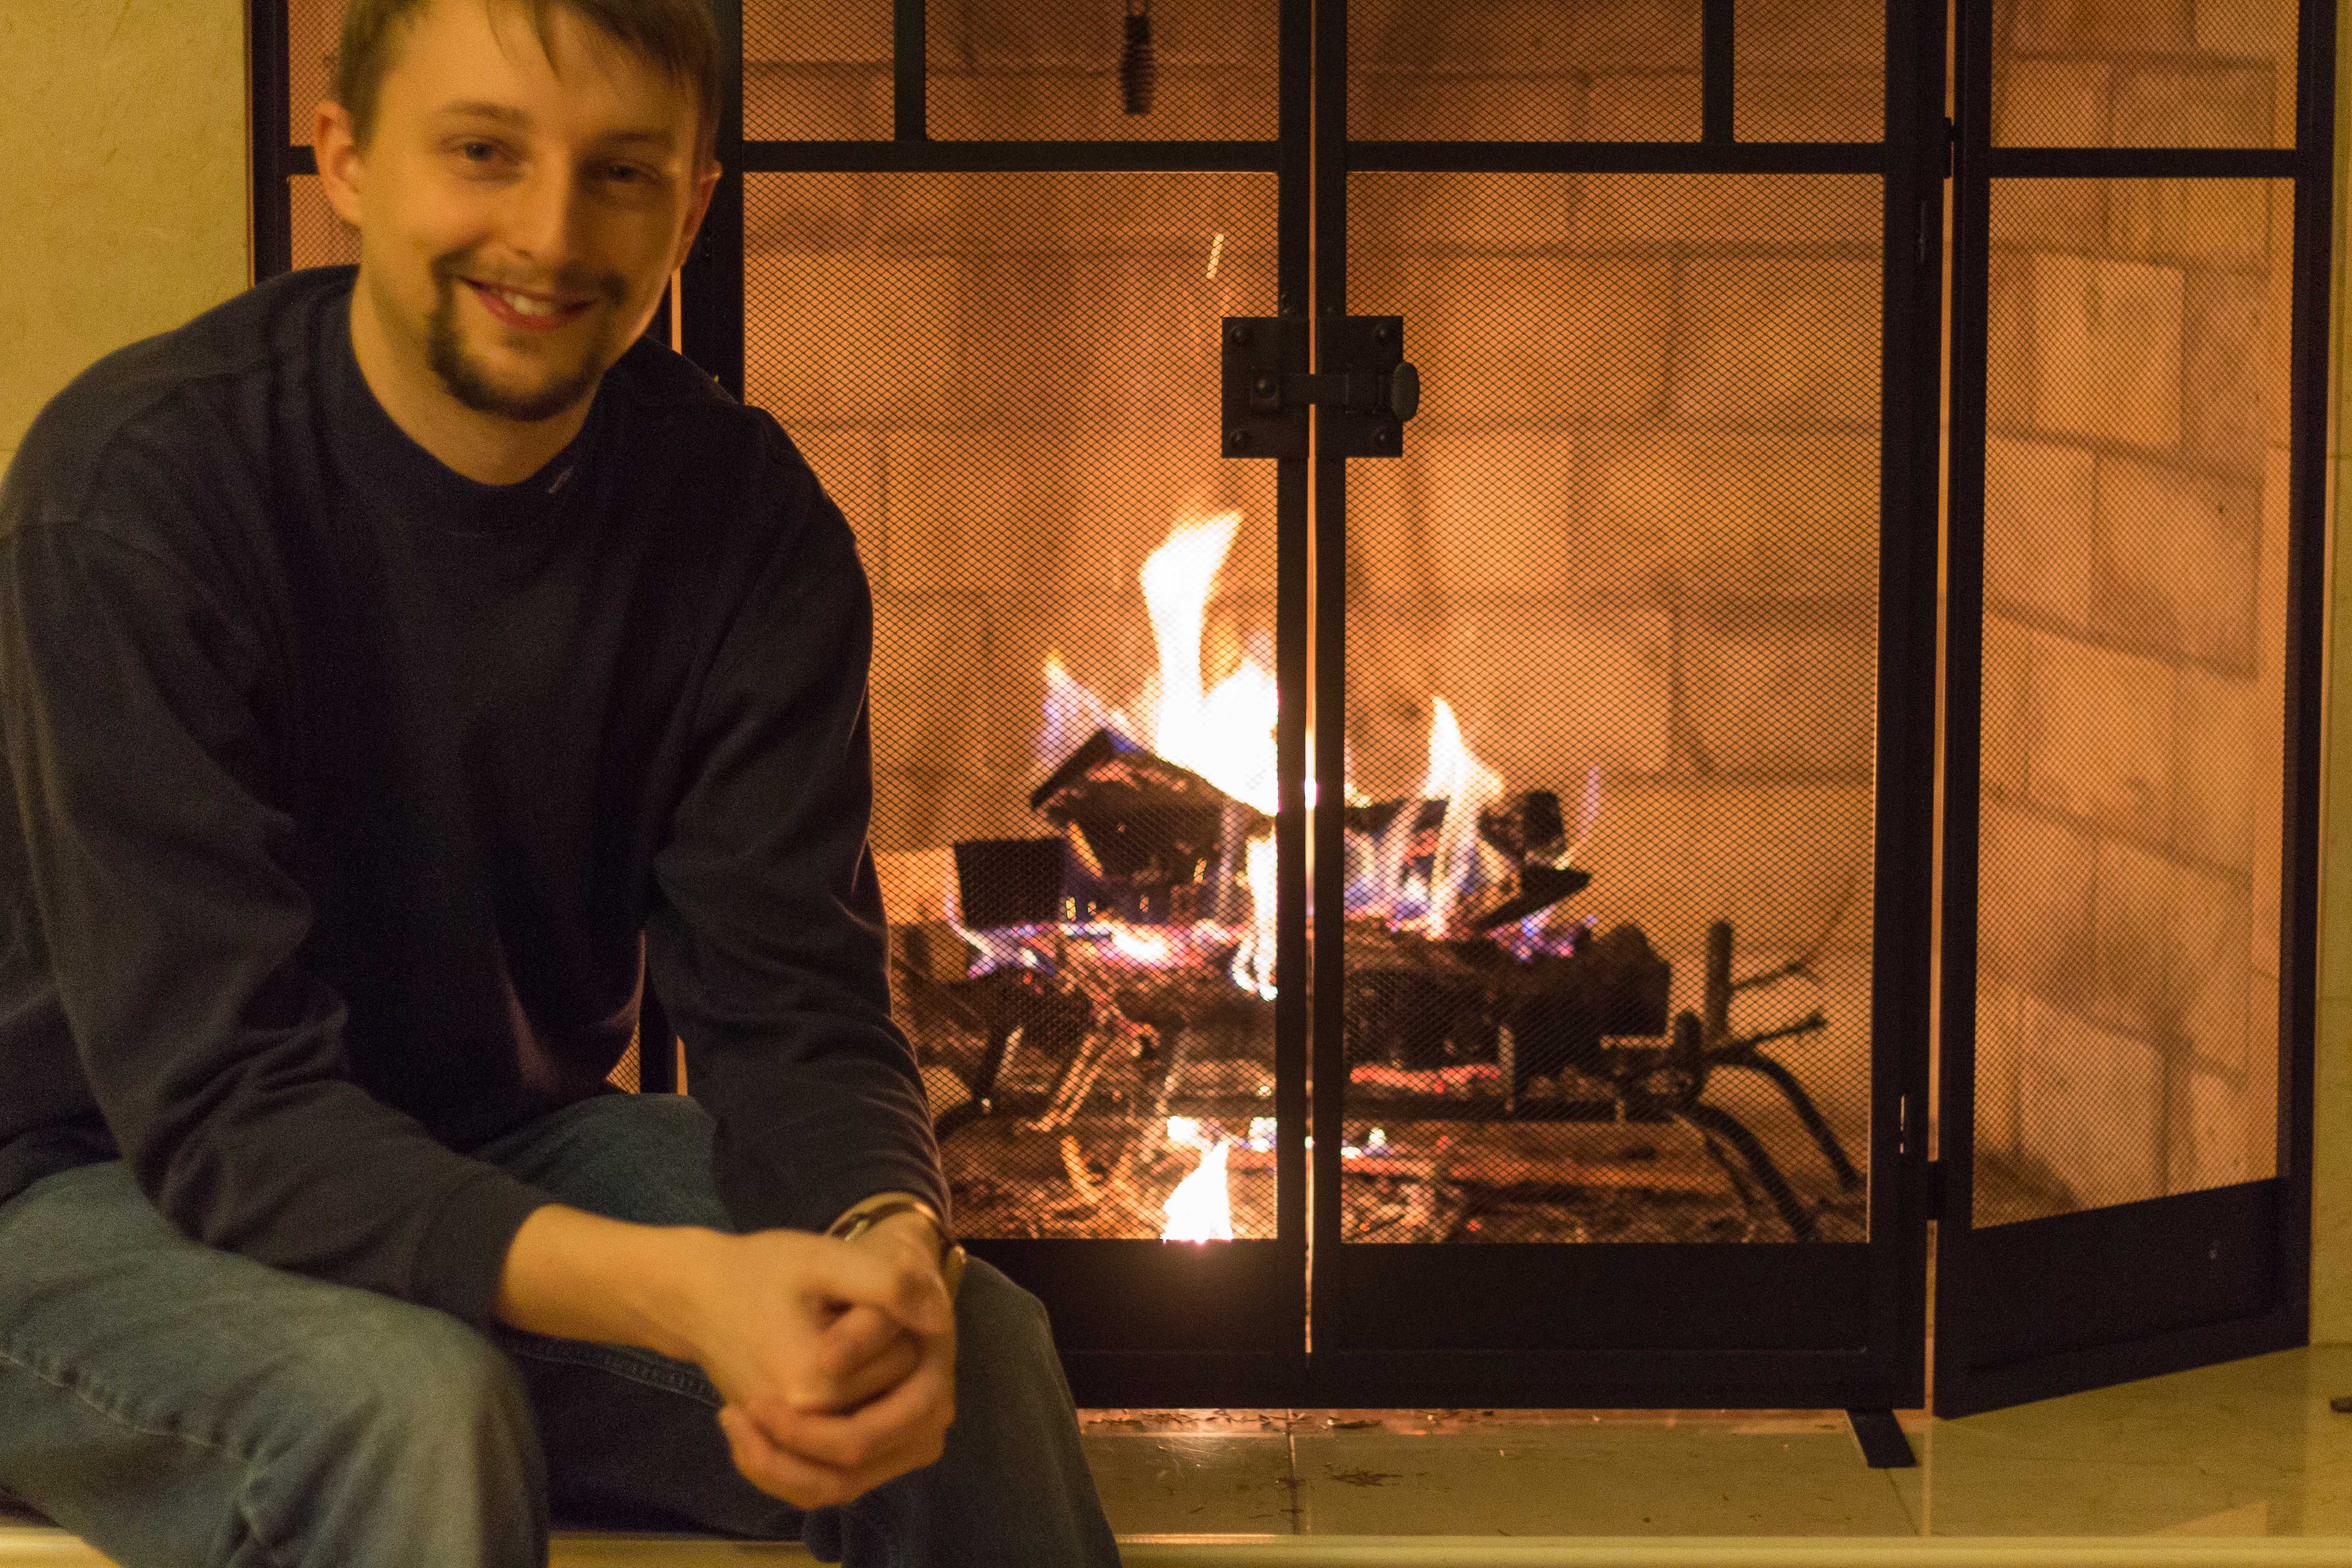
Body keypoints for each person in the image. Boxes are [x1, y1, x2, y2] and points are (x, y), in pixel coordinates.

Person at [0, 0, 1121, 1562]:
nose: (547, 233)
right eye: (482, 153)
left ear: (695, 202)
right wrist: (680, 1293)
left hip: (479, 1144)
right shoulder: (139, 494)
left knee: (969, 1353)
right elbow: (222, 1105)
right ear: (347, 156)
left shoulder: (742, 524)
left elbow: (792, 1005)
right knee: (407, 1408)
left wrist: (891, 1246)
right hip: (76, 1189)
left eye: (620, 172)